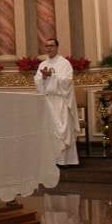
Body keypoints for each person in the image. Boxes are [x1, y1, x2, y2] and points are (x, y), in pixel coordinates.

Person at [34, 38, 81, 166]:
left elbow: (68, 81)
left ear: (57, 47)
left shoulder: (65, 63)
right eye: (47, 46)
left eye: (52, 45)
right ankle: (52, 160)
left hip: (61, 100)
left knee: (62, 129)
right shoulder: (42, 64)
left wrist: (52, 76)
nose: (49, 48)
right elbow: (37, 81)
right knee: (50, 130)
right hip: (48, 100)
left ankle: (65, 160)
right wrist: (43, 77)